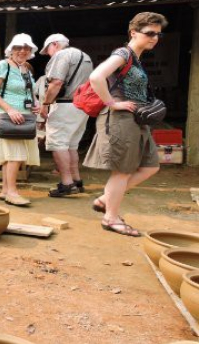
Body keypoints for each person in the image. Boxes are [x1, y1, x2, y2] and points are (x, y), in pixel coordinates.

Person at [83, 12, 167, 237]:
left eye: (158, 34)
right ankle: (110, 217)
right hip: (121, 118)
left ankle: (104, 199)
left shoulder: (136, 58)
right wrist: (111, 103)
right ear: (133, 32)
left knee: (151, 166)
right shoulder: (123, 53)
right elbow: (96, 76)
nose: (155, 38)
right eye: (149, 33)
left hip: (136, 119)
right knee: (122, 171)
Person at [0, 33, 40, 206]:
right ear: (11, 49)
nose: (22, 51)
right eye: (18, 47)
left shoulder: (25, 69)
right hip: (8, 116)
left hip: (24, 116)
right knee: (15, 155)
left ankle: (4, 190)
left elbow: (28, 93)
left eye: (26, 48)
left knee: (11, 156)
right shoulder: (3, 66)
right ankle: (12, 192)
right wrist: (9, 109)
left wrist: (36, 104)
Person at [39, 34, 93, 197]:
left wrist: (45, 104)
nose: (48, 54)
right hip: (81, 106)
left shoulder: (62, 55)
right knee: (71, 145)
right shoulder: (85, 56)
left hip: (65, 105)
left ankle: (67, 184)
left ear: (54, 44)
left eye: (47, 50)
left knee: (58, 144)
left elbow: (56, 82)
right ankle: (76, 180)